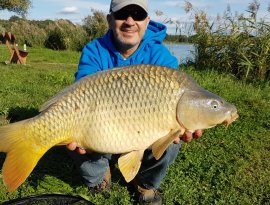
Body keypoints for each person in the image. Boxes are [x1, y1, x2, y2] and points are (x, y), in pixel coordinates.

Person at [67, 0, 202, 204]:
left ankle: (145, 183)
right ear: (110, 19)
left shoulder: (161, 57)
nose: (130, 21)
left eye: (137, 15)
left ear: (147, 21)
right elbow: (80, 96)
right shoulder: (94, 51)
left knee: (171, 140)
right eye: (123, 14)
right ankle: (98, 177)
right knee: (73, 129)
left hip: (144, 133)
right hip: (102, 129)